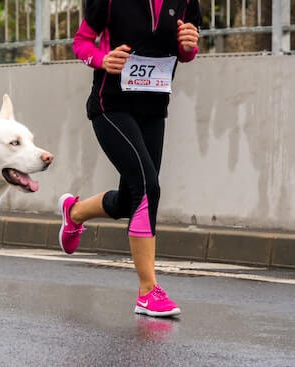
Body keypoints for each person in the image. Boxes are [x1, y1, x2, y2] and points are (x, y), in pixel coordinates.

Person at [59, 0, 201, 317]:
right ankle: (148, 291)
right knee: (148, 187)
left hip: (153, 110)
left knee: (130, 199)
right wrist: (101, 59)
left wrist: (189, 46)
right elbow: (80, 42)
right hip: (111, 107)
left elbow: (185, 51)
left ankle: (75, 212)